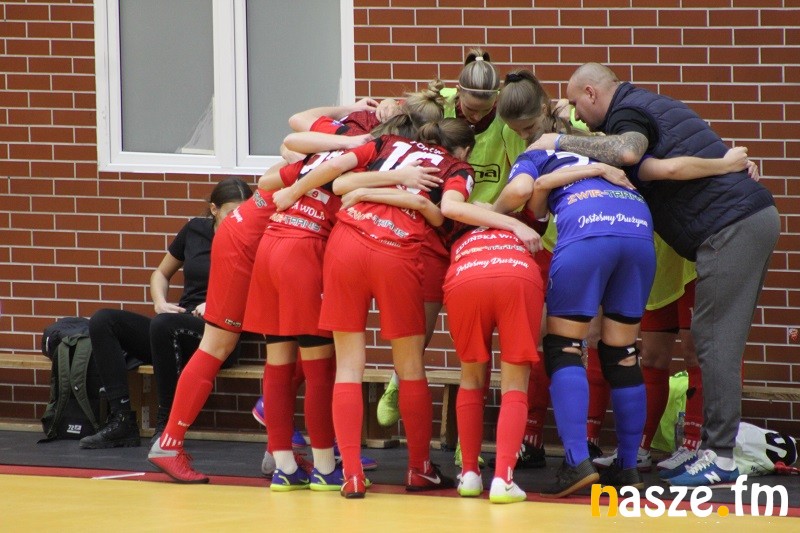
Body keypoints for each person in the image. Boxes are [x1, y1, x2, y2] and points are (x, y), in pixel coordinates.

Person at [531, 62, 779, 488]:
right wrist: (724, 165)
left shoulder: (627, 114)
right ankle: (709, 450)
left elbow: (630, 154)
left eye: (575, 103)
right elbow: (657, 167)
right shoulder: (642, 109)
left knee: (714, 340)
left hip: (732, 227)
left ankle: (720, 456)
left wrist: (558, 140)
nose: (575, 114)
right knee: (711, 339)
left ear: (591, 93)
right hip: (737, 222)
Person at [320, 118, 476, 498]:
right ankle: (419, 469)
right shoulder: (457, 168)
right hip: (397, 250)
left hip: (345, 242)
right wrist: (417, 201)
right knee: (409, 367)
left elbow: (337, 181)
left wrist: (372, 189)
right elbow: (445, 214)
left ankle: (352, 475)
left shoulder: (386, 142)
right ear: (466, 149)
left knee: (348, 365)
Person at [79, 177, 253, 449]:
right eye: (232, 213)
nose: (239, 219)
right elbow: (160, 273)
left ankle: (167, 425)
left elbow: (260, 291)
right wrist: (159, 302)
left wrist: (218, 304)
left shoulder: (253, 237)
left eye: (245, 213)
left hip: (218, 335)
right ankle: (121, 421)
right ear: (214, 209)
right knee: (104, 320)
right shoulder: (195, 230)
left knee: (163, 326)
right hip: (175, 327)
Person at [439, 165, 547, 503]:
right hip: (517, 277)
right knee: (515, 382)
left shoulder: (458, 228)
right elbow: (538, 186)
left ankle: (470, 474)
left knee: (471, 378)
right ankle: (503, 478)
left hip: (466, 278)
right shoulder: (522, 222)